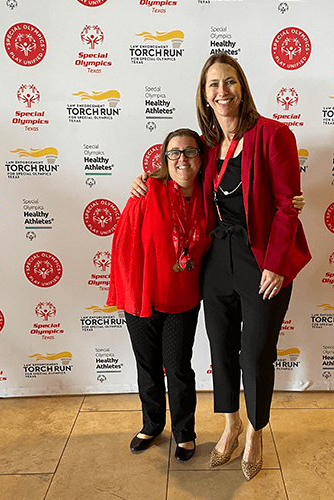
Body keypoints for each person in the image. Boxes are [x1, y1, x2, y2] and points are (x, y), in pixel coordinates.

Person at [130, 54, 310, 481]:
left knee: (257, 352)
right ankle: (229, 425)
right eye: (213, 84)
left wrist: (277, 263)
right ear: (204, 95)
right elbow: (182, 177)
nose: (222, 91)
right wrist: (144, 181)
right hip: (217, 261)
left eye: (229, 82)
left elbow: (288, 205)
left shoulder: (272, 134)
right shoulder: (211, 147)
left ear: (242, 87)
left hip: (262, 258)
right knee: (221, 347)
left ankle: (255, 431)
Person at [107, 128, 211, 462]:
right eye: (174, 153)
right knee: (147, 366)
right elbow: (123, 246)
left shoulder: (211, 197)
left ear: (201, 157)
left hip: (183, 300)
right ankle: (152, 424)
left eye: (191, 151)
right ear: (165, 160)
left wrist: (289, 200)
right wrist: (131, 297)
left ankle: (184, 433)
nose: (183, 159)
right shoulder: (147, 191)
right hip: (143, 299)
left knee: (178, 369)